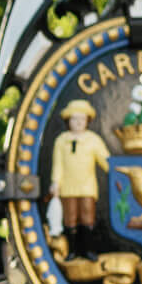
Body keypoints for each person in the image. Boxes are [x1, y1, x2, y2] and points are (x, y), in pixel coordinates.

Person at [45, 99, 110, 240]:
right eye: (75, 119)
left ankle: (88, 250)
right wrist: (56, 182)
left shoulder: (93, 140)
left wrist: (117, 174)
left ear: (88, 120)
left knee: (87, 216)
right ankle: (73, 250)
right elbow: (58, 165)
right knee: (70, 217)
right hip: (67, 187)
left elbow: (105, 161)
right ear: (69, 120)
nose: (79, 122)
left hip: (87, 187)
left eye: (82, 119)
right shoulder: (61, 141)